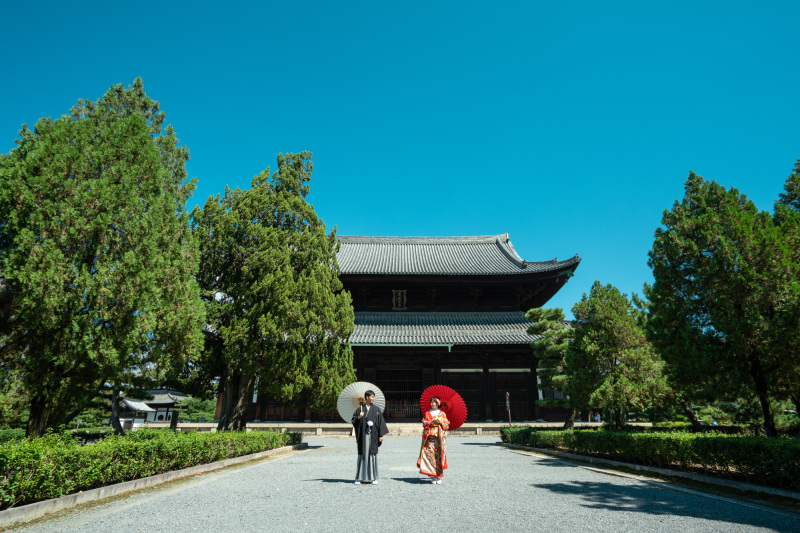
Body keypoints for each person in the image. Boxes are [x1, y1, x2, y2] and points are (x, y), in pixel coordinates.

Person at [351, 389, 389, 485]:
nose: (373, 399)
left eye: (373, 397)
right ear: (367, 397)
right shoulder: (360, 409)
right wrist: (359, 417)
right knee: (363, 455)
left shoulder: (376, 409)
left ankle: (373, 477)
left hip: (373, 435)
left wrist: (381, 435)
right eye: (372, 397)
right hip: (363, 436)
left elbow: (381, 422)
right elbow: (353, 420)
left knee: (372, 455)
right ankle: (359, 477)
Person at [417, 396, 449, 484]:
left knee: (438, 455)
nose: (432, 404)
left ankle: (438, 475)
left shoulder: (442, 413)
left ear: (438, 403)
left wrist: (440, 421)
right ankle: (432, 474)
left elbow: (446, 425)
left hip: (439, 437)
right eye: (431, 402)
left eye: (433, 402)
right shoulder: (428, 413)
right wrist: (431, 421)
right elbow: (424, 423)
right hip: (430, 437)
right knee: (429, 454)